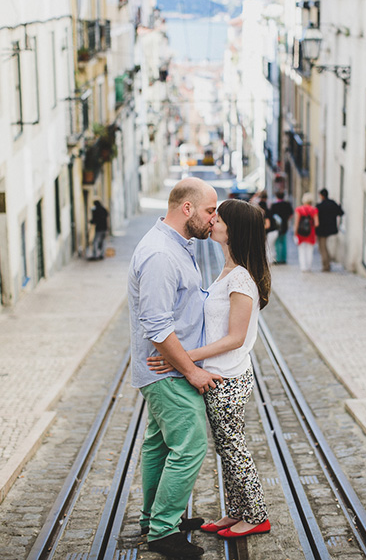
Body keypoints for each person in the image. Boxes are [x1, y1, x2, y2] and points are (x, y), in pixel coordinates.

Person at [148, 199, 272, 539]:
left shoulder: (242, 280)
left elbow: (235, 337)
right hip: (221, 375)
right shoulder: (229, 271)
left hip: (227, 377)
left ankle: (257, 514)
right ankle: (237, 512)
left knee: (234, 448)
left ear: (233, 230)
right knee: (226, 448)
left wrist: (184, 356)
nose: (212, 219)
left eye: (220, 217)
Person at [128, 178, 222, 558]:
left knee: (159, 445)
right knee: (191, 444)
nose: (213, 220)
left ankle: (154, 518)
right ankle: (163, 532)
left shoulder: (176, 246)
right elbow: (156, 325)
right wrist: (192, 370)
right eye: (210, 211)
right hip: (169, 371)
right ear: (187, 209)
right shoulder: (161, 255)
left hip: (168, 367)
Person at [316, 189, 344, 272]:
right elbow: (341, 213)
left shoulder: (320, 206)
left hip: (322, 230)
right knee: (325, 248)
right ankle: (327, 263)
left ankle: (326, 266)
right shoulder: (332, 203)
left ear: (321, 195)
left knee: (322, 248)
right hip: (331, 229)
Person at [293, 193, 320, 272]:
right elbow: (317, 223)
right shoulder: (314, 210)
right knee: (310, 250)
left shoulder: (299, 209)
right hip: (310, 232)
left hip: (301, 233)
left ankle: (303, 267)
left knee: (301, 250)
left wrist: (295, 233)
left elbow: (297, 222)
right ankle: (309, 267)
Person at [270, 193, 294, 265]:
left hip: (277, 226)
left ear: (276, 197)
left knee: (277, 242)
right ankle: (283, 258)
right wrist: (287, 220)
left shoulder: (274, 205)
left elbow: (272, 215)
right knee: (284, 242)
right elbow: (291, 214)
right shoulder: (287, 204)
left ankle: (278, 259)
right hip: (285, 225)